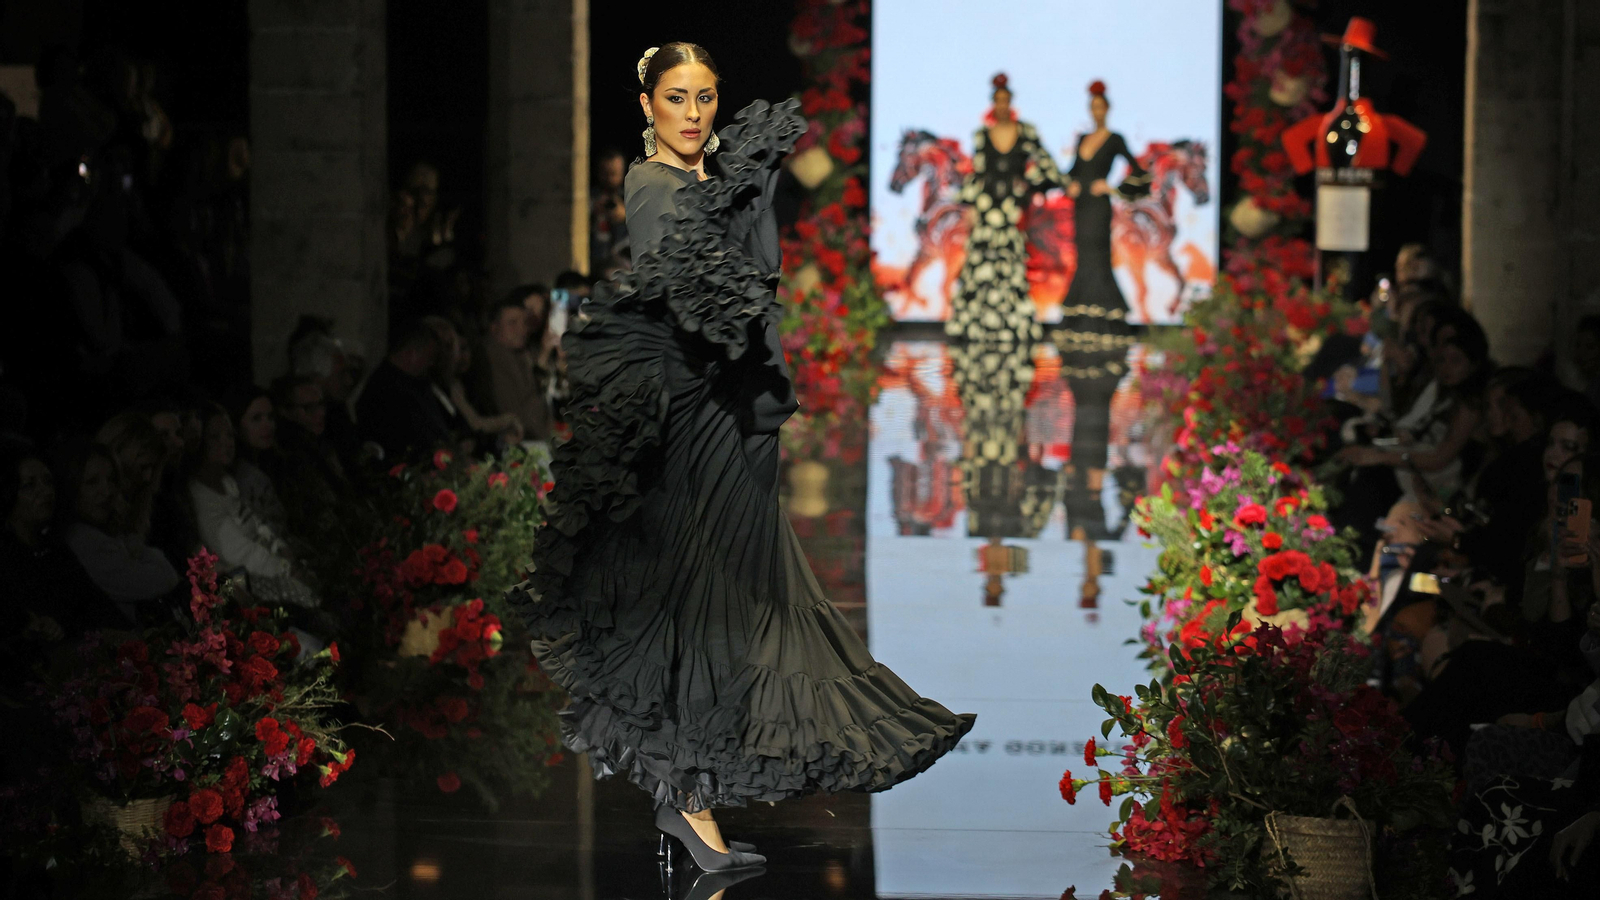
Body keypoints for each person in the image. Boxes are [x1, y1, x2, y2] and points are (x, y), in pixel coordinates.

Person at [507, 43, 973, 874]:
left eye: (707, 98)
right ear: (646, 102)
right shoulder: (653, 185)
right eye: (678, 98)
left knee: (729, 604)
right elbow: (689, 293)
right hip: (695, 417)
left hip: (736, 408)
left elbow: (763, 272)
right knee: (708, 606)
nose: (694, 114)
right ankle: (686, 803)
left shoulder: (710, 181)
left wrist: (745, 191)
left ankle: (686, 799)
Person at [1058, 80, 1151, 539]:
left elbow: (1140, 174)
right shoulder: (1083, 140)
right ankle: (1086, 319)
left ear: (1106, 108)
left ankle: (1101, 319)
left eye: (1100, 106)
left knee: (1097, 257)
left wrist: (1111, 187)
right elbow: (1068, 171)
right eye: (1090, 106)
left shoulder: (1113, 140)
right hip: (1083, 208)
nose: (1095, 112)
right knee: (1084, 257)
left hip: (1100, 209)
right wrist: (1077, 182)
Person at [950, 72, 1066, 344]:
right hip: (986, 207)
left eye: (1006, 101)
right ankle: (975, 327)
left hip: (1011, 211)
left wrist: (1028, 188)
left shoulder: (1026, 132)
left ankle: (1013, 327)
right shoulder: (982, 135)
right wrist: (967, 203)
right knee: (981, 265)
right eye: (997, 101)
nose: (1002, 106)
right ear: (993, 103)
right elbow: (977, 172)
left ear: (1011, 103)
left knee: (1011, 267)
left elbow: (1048, 167)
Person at [188, 404, 317, 609]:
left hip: (272, 568)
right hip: (248, 581)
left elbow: (256, 525)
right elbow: (238, 552)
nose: (226, 443)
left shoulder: (227, 481)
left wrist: (282, 549)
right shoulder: (200, 494)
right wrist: (287, 570)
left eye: (229, 435)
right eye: (215, 437)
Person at [56, 439, 180, 623]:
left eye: (112, 480)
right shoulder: (82, 539)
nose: (106, 491)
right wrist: (139, 548)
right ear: (71, 487)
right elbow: (164, 578)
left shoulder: (103, 532)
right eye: (92, 482)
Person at [354, 319, 455, 463]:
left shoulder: (419, 384)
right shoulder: (383, 390)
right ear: (412, 353)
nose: (430, 363)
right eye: (428, 357)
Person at [421, 316, 523, 447]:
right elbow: (476, 424)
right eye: (454, 348)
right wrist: (509, 420)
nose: (459, 356)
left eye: (464, 348)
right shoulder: (439, 387)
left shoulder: (468, 383)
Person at [478, 293, 553, 441]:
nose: (521, 329)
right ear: (494, 327)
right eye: (512, 323)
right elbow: (519, 411)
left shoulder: (524, 352)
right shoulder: (492, 357)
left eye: (524, 322)